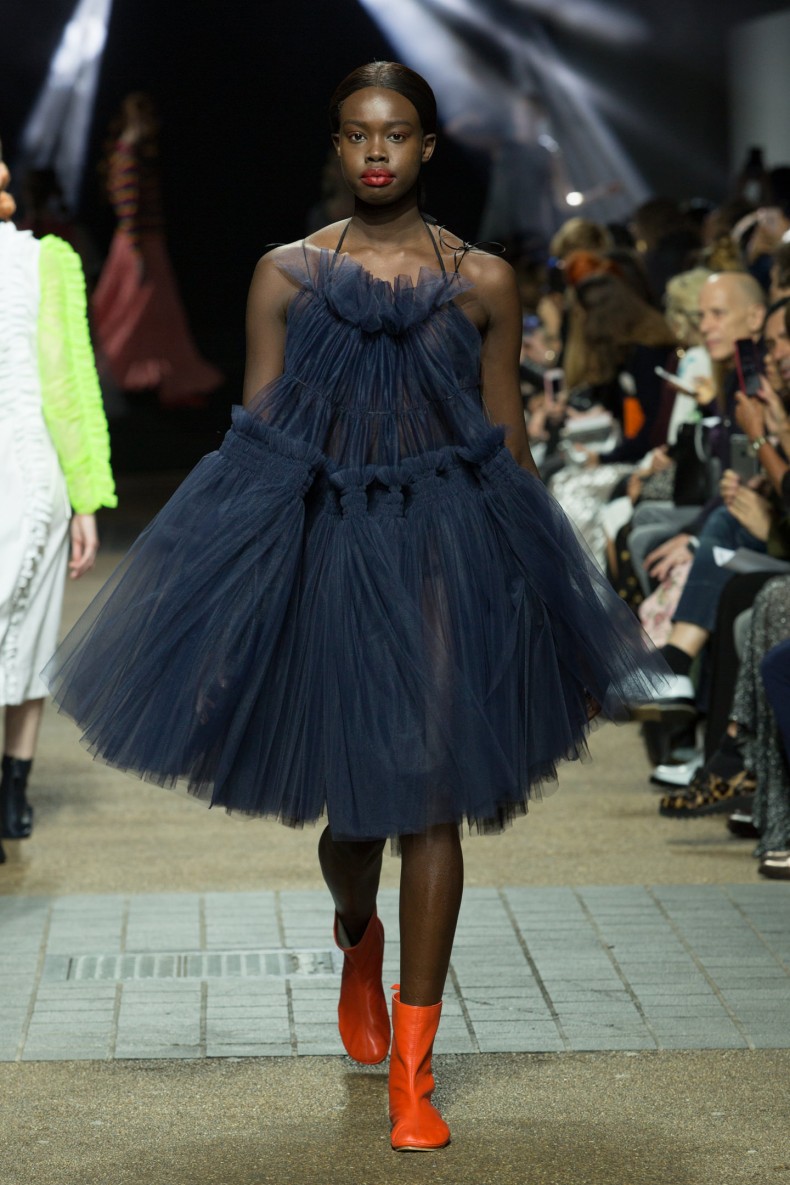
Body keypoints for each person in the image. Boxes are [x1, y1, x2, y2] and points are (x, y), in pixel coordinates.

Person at [44, 63, 665, 1151]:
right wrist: (236, 590)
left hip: (451, 549)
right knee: (357, 819)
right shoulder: (285, 275)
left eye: (397, 134)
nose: (377, 152)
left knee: (435, 796)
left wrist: (544, 594)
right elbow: (258, 441)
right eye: (358, 135)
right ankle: (356, 929)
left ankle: (413, 1077)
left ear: (427, 146)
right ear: (337, 147)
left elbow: (509, 439)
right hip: (330, 542)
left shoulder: (485, 280)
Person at [0, 146, 116, 865]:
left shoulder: (47, 261)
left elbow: (72, 382)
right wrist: (83, 497)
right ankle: (11, 794)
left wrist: (85, 496)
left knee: (28, 629)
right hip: (30, 468)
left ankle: (13, 790)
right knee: (25, 629)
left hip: (29, 467)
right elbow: (72, 381)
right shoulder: (44, 261)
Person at [91, 93, 224, 408]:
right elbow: (128, 207)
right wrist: (137, 256)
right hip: (138, 246)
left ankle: (161, 378)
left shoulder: (130, 152)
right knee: (132, 314)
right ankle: (123, 377)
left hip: (143, 244)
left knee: (149, 316)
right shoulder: (128, 153)